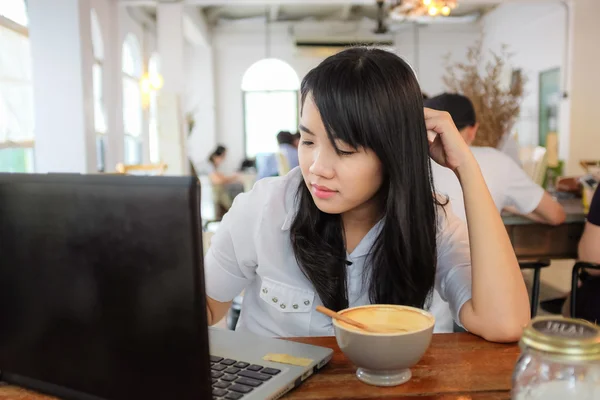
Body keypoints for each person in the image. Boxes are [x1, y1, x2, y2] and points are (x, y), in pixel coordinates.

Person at [204, 48, 529, 342]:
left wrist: (466, 169)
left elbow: (504, 323)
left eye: (344, 150)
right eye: (307, 141)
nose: (317, 167)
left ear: (393, 153)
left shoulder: (432, 222)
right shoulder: (264, 208)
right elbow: (206, 308)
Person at [425, 93, 565, 226]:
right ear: (473, 129)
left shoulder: (409, 165)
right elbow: (555, 215)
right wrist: (507, 204)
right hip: (478, 250)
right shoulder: (496, 161)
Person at [203, 145, 242, 212]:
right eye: (223, 156)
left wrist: (231, 179)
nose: (224, 159)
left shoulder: (212, 166)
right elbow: (217, 181)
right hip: (212, 192)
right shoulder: (208, 166)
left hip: (215, 191)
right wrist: (232, 179)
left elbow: (221, 177)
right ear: (218, 156)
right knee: (223, 193)